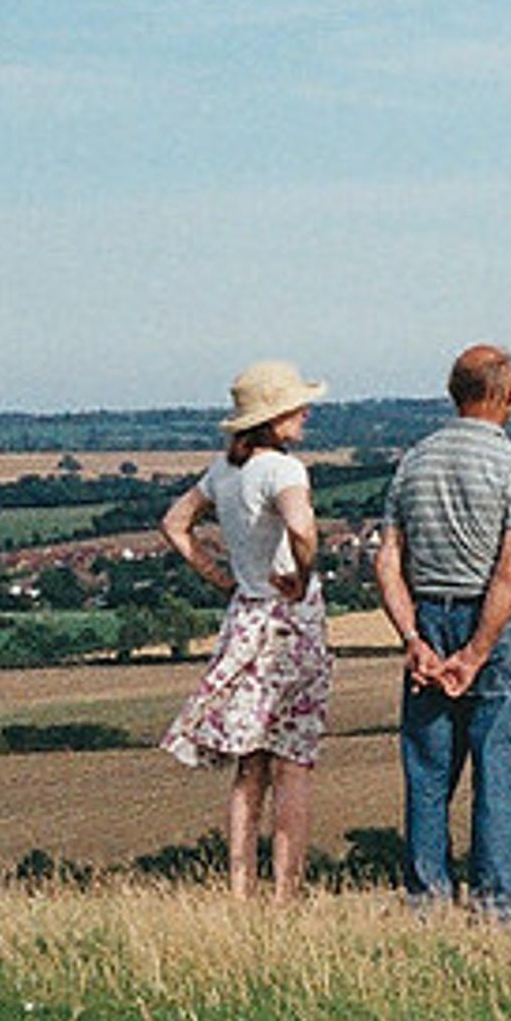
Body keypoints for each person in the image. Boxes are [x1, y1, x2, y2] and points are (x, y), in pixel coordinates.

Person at [372, 342, 511, 920]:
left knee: (426, 776)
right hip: (495, 628)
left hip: (428, 618)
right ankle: (495, 913)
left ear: (455, 393)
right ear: (507, 396)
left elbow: (387, 563)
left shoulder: (412, 463)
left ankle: (427, 907)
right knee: (496, 776)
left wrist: (414, 642)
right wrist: (476, 652)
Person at [156, 359, 333, 902]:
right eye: (296, 407)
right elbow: (302, 529)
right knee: (294, 765)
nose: (305, 414)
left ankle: (240, 890)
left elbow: (174, 524)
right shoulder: (285, 471)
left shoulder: (223, 471)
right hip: (292, 625)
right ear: (274, 418)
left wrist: (218, 577)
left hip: (244, 617)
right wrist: (302, 575)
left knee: (248, 767)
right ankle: (284, 894)